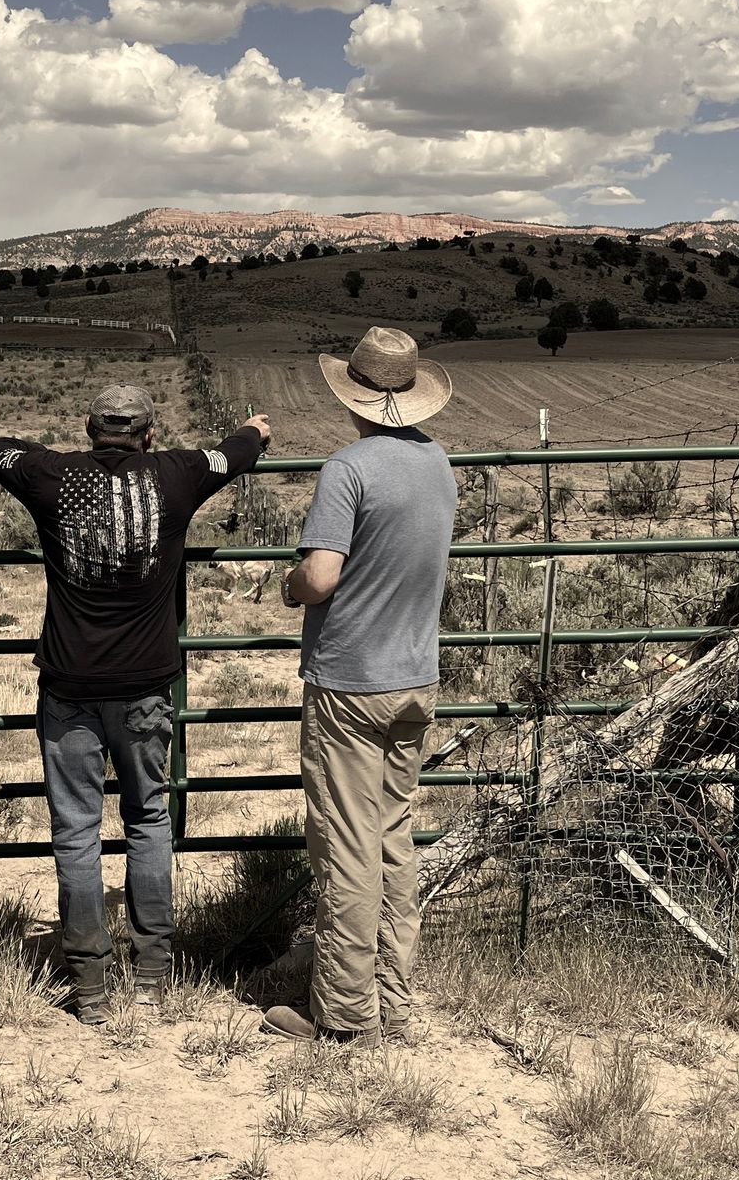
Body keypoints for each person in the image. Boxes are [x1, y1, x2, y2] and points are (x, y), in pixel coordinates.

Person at [0, 386, 270, 1024]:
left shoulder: (51, 474)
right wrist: (254, 428)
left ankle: (88, 985)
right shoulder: (178, 473)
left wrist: (23, 447)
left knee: (76, 831)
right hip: (144, 686)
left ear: (89, 429)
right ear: (147, 432)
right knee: (148, 820)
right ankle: (152, 975)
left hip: (70, 686)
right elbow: (236, 452)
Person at [262, 327, 456, 1046]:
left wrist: (287, 584)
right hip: (415, 676)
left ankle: (346, 1016)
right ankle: (396, 1005)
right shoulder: (439, 464)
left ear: (356, 395)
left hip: (350, 680)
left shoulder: (348, 468)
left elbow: (320, 576)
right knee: (393, 841)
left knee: (346, 848)